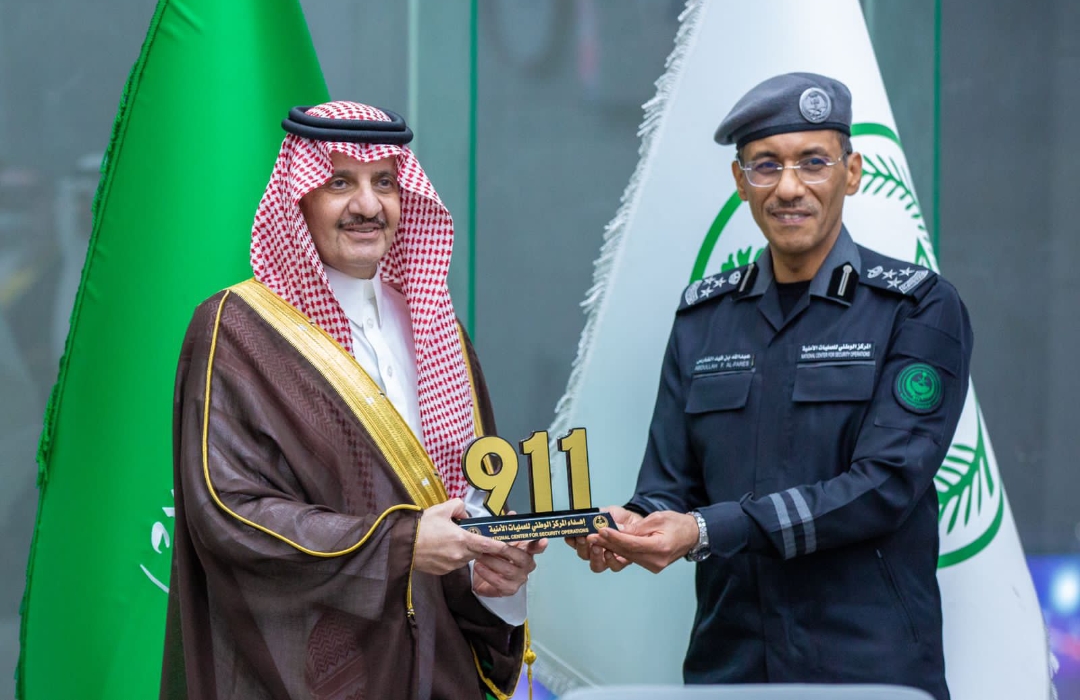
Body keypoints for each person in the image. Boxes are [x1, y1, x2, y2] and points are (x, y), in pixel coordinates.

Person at [570, 73, 971, 700]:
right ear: (740, 181)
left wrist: (706, 530)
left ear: (852, 172)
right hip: (730, 665)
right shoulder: (704, 318)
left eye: (813, 162)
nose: (788, 187)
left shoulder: (918, 308)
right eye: (765, 165)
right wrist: (630, 524)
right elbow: (669, 484)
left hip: (867, 670)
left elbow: (885, 485)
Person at [161, 101, 545, 700]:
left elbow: (465, 501)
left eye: (384, 183)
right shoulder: (237, 330)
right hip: (305, 676)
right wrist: (403, 545)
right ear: (299, 199)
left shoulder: (437, 328)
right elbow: (230, 515)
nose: (368, 205)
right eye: (340, 182)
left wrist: (490, 571)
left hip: (440, 669)